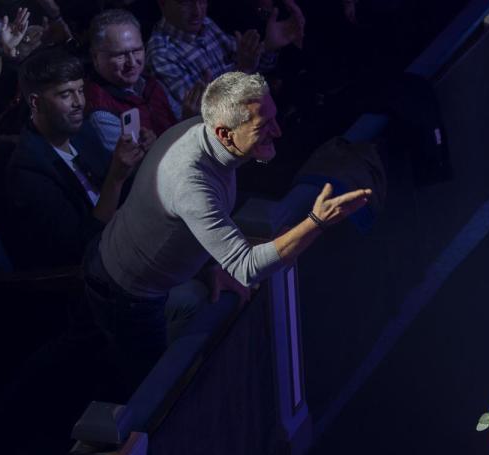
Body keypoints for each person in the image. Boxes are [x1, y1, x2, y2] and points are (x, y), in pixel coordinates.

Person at [84, 71, 371, 393]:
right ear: (224, 133)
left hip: (137, 271)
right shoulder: (192, 183)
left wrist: (210, 265)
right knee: (151, 396)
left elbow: (189, 226)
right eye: (263, 128)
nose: (277, 132)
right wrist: (317, 221)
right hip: (126, 295)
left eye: (274, 119)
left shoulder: (206, 135)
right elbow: (247, 268)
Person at [0, 48, 145, 270]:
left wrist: (136, 161)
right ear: (36, 103)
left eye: (80, 90)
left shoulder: (82, 132)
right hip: (92, 277)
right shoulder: (27, 169)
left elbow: (121, 195)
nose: (79, 102)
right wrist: (116, 177)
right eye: (66, 94)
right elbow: (80, 250)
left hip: (128, 241)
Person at [146, 0, 304, 119]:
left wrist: (269, 46)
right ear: (162, 3)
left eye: (201, 0)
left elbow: (253, 66)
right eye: (185, 2)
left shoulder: (206, 24)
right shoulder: (161, 54)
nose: (197, 11)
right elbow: (204, 119)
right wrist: (242, 71)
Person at [84, 9, 176, 153]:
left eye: (137, 50)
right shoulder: (100, 112)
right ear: (95, 58)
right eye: (120, 55)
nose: (132, 63)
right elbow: (130, 170)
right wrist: (151, 151)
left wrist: (189, 119)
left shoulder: (149, 82)